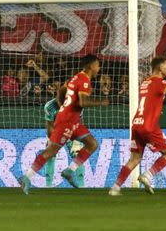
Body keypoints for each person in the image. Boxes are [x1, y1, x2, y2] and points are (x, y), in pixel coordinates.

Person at [109, 57, 166, 196]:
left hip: (136, 124)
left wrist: (157, 108)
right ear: (160, 68)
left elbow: (150, 100)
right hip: (149, 126)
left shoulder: (145, 82)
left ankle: (115, 188)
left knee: (134, 158)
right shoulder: (159, 82)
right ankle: (148, 175)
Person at [19, 55, 110, 194]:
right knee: (51, 151)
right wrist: (101, 102)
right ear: (91, 66)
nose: (99, 68)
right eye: (98, 65)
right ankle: (27, 177)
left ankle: (69, 170)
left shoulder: (75, 77)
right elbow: (82, 102)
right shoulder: (84, 79)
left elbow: (61, 91)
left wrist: (62, 106)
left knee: (92, 144)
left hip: (74, 121)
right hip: (67, 121)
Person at [42, 84, 68, 187]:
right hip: (56, 132)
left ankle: (81, 187)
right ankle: (48, 186)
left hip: (70, 131)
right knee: (49, 154)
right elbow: (49, 131)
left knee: (77, 152)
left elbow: (79, 124)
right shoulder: (49, 106)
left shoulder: (76, 106)